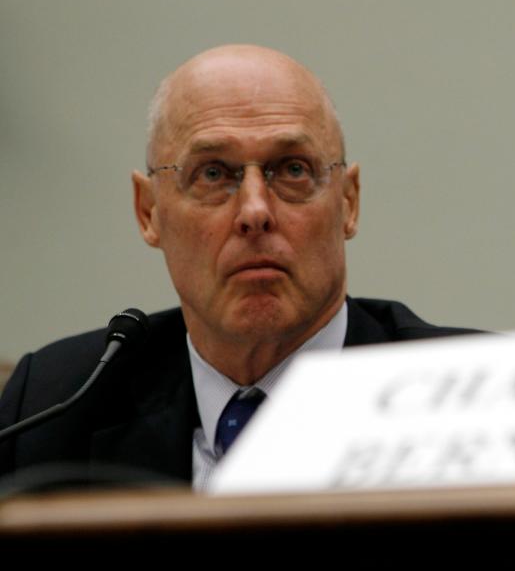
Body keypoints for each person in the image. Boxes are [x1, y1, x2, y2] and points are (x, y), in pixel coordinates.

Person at [0, 45, 475, 489]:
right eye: (212, 174)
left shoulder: (470, 403)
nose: (254, 211)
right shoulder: (51, 406)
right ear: (149, 211)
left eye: (292, 169)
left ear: (348, 203)